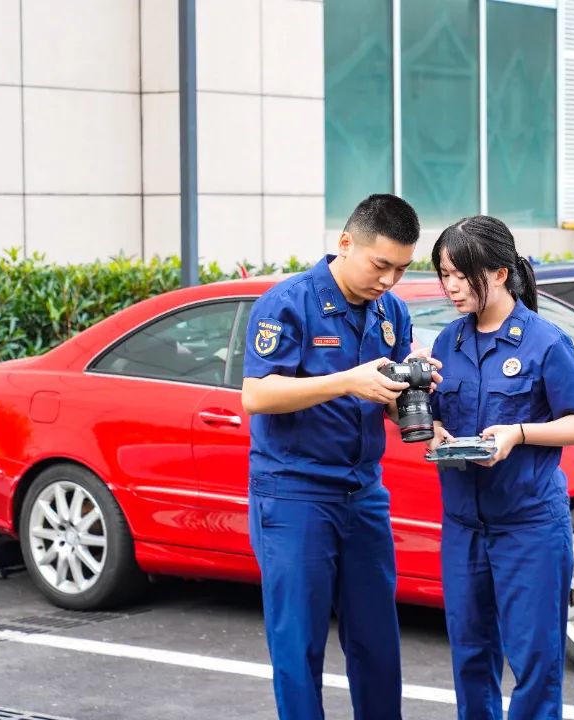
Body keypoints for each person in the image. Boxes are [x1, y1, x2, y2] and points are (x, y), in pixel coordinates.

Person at [241, 193, 439, 719]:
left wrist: (417, 393)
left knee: (377, 644)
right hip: (295, 495)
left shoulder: (391, 311)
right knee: (299, 647)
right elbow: (257, 395)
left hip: (364, 495)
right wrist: (347, 381)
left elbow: (391, 402)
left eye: (401, 268)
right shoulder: (288, 302)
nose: (390, 280)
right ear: (345, 243)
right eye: (381, 265)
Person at [427, 216, 574, 720]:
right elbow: (437, 416)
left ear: (501, 273)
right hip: (464, 526)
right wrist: (435, 432)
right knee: (470, 654)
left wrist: (519, 434)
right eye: (445, 273)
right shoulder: (448, 343)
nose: (451, 286)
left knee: (534, 662)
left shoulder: (544, 342)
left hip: (528, 526)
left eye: (462, 274)